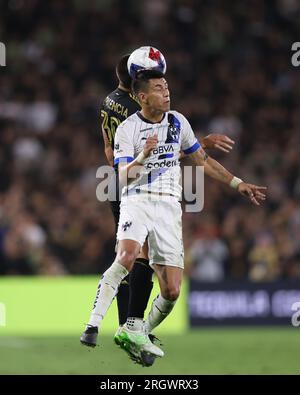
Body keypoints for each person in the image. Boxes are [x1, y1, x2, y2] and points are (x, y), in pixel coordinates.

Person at [80, 62, 238, 363]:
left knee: (167, 284)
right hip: (135, 191)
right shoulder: (131, 123)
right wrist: (146, 153)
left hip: (159, 198)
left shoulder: (124, 107)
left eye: (165, 86)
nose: (166, 91)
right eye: (158, 86)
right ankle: (101, 325)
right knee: (131, 257)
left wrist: (235, 181)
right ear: (140, 93)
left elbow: (196, 158)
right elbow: (131, 169)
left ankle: (133, 330)